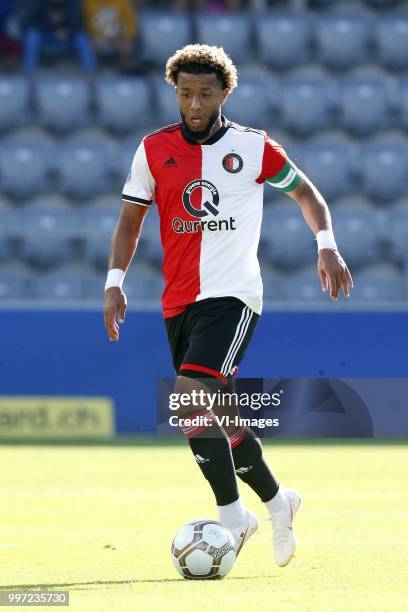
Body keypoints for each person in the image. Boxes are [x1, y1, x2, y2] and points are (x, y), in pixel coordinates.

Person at [103, 44, 353, 566]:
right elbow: (130, 222)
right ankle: (279, 501)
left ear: (224, 94)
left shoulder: (253, 148)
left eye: (205, 94)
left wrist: (325, 244)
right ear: (175, 92)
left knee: (187, 396)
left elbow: (307, 194)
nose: (195, 104)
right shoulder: (152, 150)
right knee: (213, 409)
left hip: (234, 294)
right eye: (186, 93)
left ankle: (233, 517)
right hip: (179, 302)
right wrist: (114, 281)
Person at [21, 0, 96, 75]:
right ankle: (29, 74)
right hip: (47, 35)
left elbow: (79, 23)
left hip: (68, 36)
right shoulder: (40, 3)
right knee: (32, 36)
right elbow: (31, 22)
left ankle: (91, 75)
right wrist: (51, 24)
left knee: (82, 38)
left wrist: (68, 31)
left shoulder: (72, 3)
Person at [83, 0, 138, 73]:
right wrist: (105, 36)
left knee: (125, 44)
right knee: (89, 45)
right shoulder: (89, 3)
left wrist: (124, 35)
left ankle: (122, 69)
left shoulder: (123, 2)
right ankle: (95, 71)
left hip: (118, 37)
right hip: (97, 36)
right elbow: (87, 25)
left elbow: (131, 24)